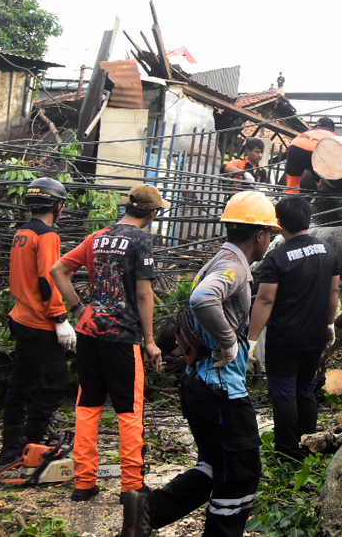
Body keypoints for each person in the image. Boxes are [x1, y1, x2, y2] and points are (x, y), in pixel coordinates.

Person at [131, 190, 276, 537]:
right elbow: (202, 298)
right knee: (241, 475)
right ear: (260, 235)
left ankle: (148, 511)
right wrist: (228, 342)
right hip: (221, 392)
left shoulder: (219, 260)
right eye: (270, 232)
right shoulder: (232, 267)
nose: (270, 239)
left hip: (201, 386)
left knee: (214, 465)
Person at [49, 184, 166, 503]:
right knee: (129, 410)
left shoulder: (97, 237)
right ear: (153, 214)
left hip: (88, 333)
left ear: (127, 207)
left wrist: (77, 309)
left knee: (88, 407)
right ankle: (131, 485)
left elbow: (58, 270)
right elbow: (143, 294)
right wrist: (151, 341)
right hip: (121, 336)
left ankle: (84, 483)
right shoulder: (141, 240)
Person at [247, 195, 341, 461]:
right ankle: (309, 445)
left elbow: (265, 299)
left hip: (285, 337)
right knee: (305, 388)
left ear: (278, 223)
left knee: (284, 391)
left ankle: (287, 451)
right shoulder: (328, 251)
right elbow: (334, 291)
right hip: (316, 335)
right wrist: (329, 323)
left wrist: (252, 339)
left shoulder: (277, 257)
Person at [0, 177, 76, 469]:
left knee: (21, 385)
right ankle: (32, 445)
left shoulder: (22, 233)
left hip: (20, 316)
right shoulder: (47, 236)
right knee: (55, 383)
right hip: (39, 322)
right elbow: (48, 279)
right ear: (57, 206)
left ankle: (10, 450)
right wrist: (60, 318)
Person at [283, 118, 338, 192]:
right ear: (332, 128)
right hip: (316, 151)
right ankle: (322, 195)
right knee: (322, 184)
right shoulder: (335, 136)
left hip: (296, 145)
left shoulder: (308, 132)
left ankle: (290, 197)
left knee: (292, 185)